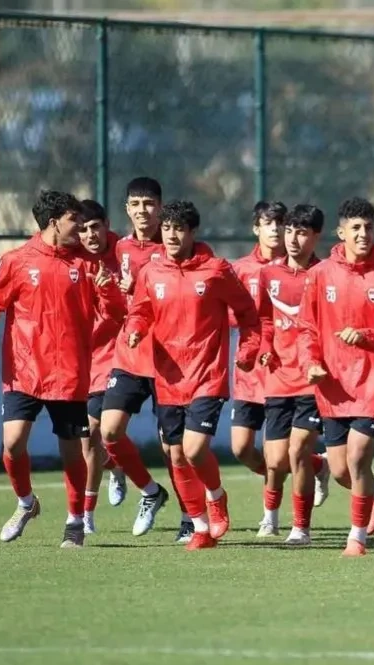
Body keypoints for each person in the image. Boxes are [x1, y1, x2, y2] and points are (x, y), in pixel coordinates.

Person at [0, 190, 125, 548]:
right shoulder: (17, 261)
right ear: (54, 222)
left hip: (69, 374)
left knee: (72, 453)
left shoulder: (88, 264)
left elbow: (116, 315)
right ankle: (26, 503)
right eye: (75, 220)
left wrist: (109, 292)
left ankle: (75, 522)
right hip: (23, 370)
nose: (82, 228)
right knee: (13, 444)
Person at [123, 201, 262, 551]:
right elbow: (140, 310)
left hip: (207, 374)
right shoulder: (151, 272)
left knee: (194, 448)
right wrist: (135, 329)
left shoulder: (216, 270)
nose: (172, 235)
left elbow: (248, 313)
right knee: (175, 455)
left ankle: (216, 495)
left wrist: (247, 351)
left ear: (192, 232)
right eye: (167, 228)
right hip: (168, 377)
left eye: (179, 228)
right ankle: (200, 528)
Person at [298, 197, 374, 557]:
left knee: (359, 457)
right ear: (341, 232)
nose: (363, 234)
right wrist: (311, 362)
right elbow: (307, 327)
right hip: (333, 385)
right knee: (342, 471)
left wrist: (365, 335)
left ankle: (356, 537)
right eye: (356, 228)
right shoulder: (320, 275)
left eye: (369, 227)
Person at [97, 177, 176, 539]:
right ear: (127, 209)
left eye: (149, 204)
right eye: (136, 204)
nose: (142, 211)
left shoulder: (174, 245)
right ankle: (150, 491)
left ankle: (190, 517)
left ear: (160, 207)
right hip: (129, 353)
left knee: (172, 447)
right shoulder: (119, 249)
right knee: (109, 431)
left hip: (168, 359)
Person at [257, 204, 330, 545]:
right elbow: (263, 319)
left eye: (301, 233)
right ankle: (270, 516)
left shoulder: (325, 275)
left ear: (316, 236)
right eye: (289, 231)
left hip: (311, 379)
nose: (293, 239)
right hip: (278, 376)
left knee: (297, 450)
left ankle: (301, 528)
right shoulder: (269, 274)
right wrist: (264, 346)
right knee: (275, 461)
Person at [230, 201, 286, 536]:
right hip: (249, 371)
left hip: (282, 369)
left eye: (280, 223)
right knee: (240, 448)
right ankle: (314, 466)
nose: (275, 229)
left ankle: (270, 515)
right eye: (268, 223)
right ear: (256, 228)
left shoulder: (298, 267)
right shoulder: (240, 269)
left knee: (274, 451)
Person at [76, 199, 124, 535]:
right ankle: (116, 466)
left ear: (107, 224)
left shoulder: (124, 254)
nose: (90, 235)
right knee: (87, 442)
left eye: (95, 227)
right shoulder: (74, 260)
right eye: (82, 229)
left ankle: (85, 516)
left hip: (118, 356)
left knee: (93, 432)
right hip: (82, 358)